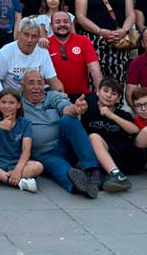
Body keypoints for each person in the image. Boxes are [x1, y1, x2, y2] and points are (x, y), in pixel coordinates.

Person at [19, 70, 102, 198]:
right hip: (45, 153)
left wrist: (76, 109)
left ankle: (92, 169)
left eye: (39, 83)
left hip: (65, 144)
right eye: (31, 83)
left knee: (68, 119)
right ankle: (79, 185)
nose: (36, 87)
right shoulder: (17, 101)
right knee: (59, 167)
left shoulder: (51, 96)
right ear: (22, 85)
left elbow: (65, 107)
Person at [75, 0, 136, 84]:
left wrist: (124, 31)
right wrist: (100, 31)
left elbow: (131, 15)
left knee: (117, 80)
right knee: (92, 80)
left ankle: (116, 104)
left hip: (117, 41)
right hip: (93, 41)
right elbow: (80, 16)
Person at [0, 89, 43, 191]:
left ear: (18, 105)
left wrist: (18, 170)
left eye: (11, 103)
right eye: (3, 102)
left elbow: (26, 150)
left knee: (38, 166)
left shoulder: (25, 123)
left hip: (15, 162)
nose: (7, 106)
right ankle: (17, 181)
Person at [0, 18, 62, 92]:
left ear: (38, 38)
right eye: (26, 35)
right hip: (14, 96)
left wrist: (62, 97)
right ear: (19, 34)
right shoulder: (4, 53)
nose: (29, 40)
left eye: (34, 36)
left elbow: (53, 80)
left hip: (37, 94)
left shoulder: (42, 52)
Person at [47, 12, 102, 98]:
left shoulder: (83, 41)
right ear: (51, 25)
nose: (62, 24)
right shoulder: (45, 44)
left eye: (65, 22)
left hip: (82, 96)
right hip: (54, 97)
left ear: (71, 24)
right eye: (58, 22)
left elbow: (94, 67)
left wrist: (100, 91)